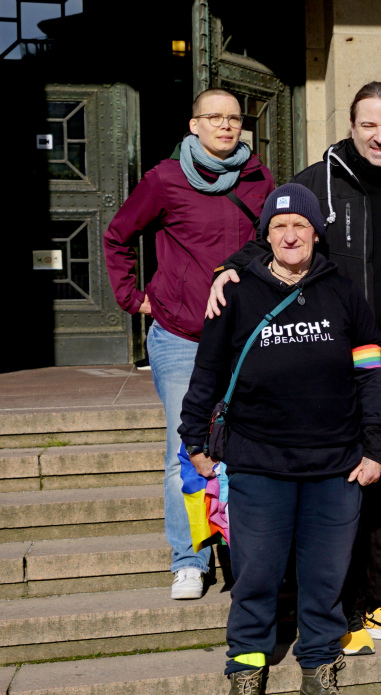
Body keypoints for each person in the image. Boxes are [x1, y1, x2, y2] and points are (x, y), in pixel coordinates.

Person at [208, 81, 381, 656]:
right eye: (369, 125)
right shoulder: (318, 181)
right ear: (352, 127)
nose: (380, 136)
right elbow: (271, 239)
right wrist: (227, 270)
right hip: (338, 370)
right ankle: (341, 606)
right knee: (344, 489)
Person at [180, 184, 381, 695]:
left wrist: (375, 447)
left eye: (300, 226)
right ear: (266, 235)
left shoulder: (343, 291)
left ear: (316, 232)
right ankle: (245, 683)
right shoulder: (236, 293)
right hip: (259, 463)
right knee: (257, 576)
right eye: (279, 227)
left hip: (335, 466)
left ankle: (319, 680)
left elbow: (371, 374)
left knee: (325, 580)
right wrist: (194, 439)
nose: (290, 236)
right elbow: (208, 372)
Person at [104, 88, 274, 601]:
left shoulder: (258, 177)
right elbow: (118, 235)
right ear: (194, 124)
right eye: (214, 117)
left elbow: (273, 243)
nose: (225, 125)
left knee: (248, 443)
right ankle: (189, 559)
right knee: (187, 445)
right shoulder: (165, 179)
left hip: (243, 337)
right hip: (182, 337)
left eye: (233, 118)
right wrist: (133, 298)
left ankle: (246, 551)